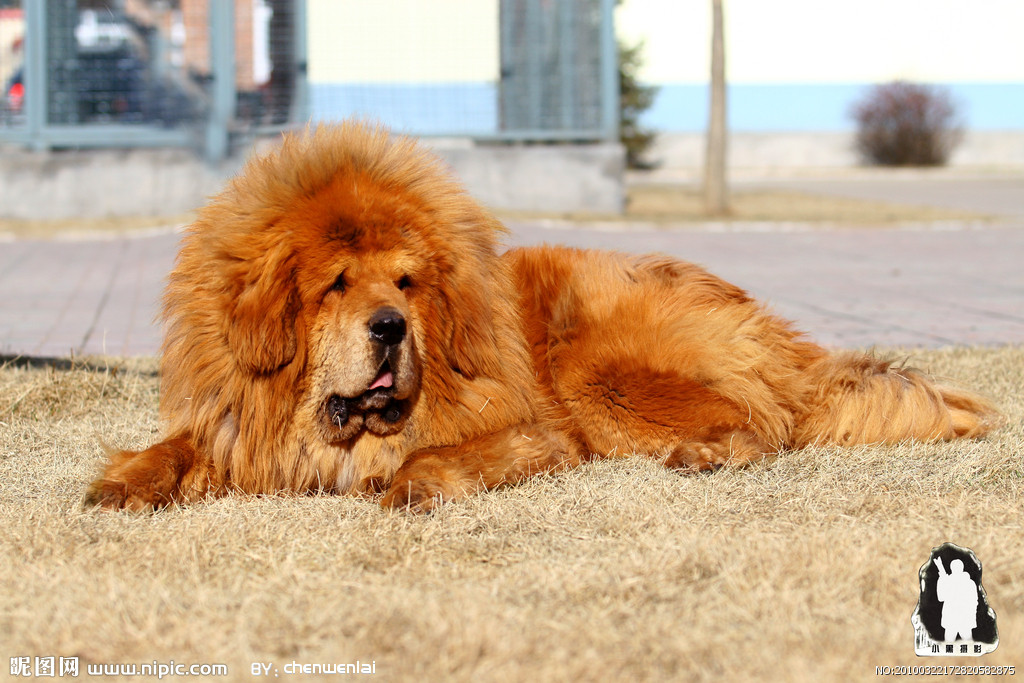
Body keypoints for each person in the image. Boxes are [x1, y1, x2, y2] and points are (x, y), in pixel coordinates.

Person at [934, 557, 978, 641]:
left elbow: (941, 597)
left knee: (959, 642)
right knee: (964, 643)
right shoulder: (969, 583)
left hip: (957, 617)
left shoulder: (967, 583)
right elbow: (941, 597)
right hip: (960, 617)